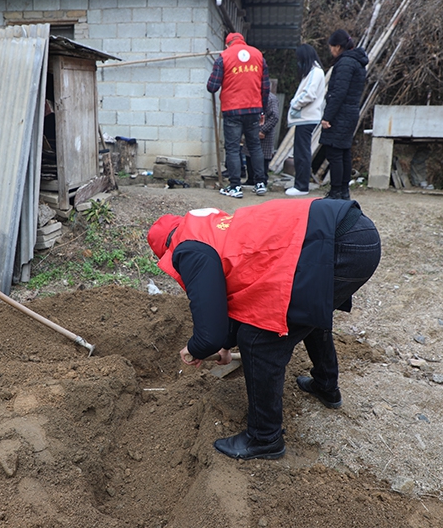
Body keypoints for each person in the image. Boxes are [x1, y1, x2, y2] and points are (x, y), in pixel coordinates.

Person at [147, 198, 380, 460]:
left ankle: (264, 438)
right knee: (304, 307)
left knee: (258, 339)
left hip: (341, 244)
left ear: (166, 251)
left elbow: (209, 332)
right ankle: (326, 385)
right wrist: (225, 344)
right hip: (353, 231)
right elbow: (236, 296)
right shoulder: (211, 229)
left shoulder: (188, 250)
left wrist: (198, 348)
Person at [207, 32, 270, 198]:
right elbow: (265, 88)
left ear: (228, 44)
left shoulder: (224, 57)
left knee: (233, 148)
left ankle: (235, 186)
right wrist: (262, 109)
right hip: (253, 108)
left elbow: (212, 86)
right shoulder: (258, 56)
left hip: (232, 109)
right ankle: (260, 183)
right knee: (255, 145)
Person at [320, 29, 368, 200]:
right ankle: (343, 192)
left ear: (338, 46)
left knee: (335, 153)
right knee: (344, 151)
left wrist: (327, 117)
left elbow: (339, 92)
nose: (331, 51)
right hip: (351, 111)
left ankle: (336, 191)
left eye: (332, 47)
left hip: (341, 113)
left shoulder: (345, 63)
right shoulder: (357, 62)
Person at [285, 44, 326, 197]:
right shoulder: (313, 72)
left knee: (302, 153)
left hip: (306, 118)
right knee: (301, 151)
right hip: (305, 118)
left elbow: (309, 94)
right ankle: (300, 184)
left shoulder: (315, 72)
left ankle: (301, 186)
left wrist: (293, 103)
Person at [244, 79, 280, 187]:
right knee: (248, 154)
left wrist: (263, 130)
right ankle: (250, 179)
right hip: (251, 130)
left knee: (262, 157)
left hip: (265, 134)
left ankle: (261, 181)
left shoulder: (271, 98)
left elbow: (274, 117)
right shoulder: (253, 96)